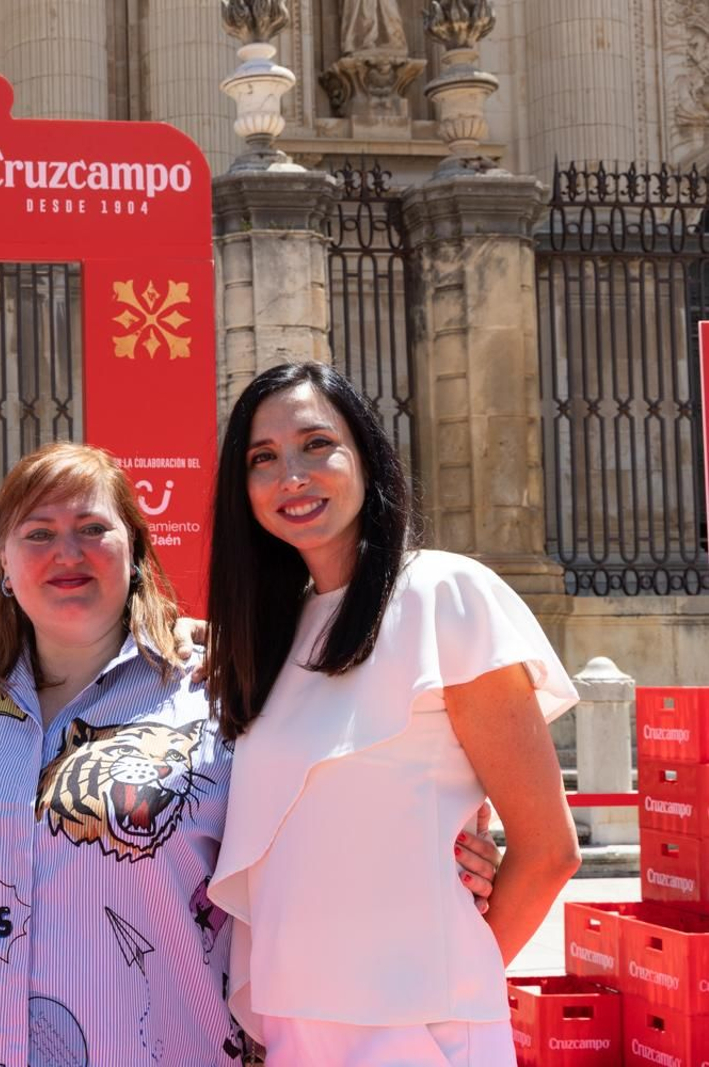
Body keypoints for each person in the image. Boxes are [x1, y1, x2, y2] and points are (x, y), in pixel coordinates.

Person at [206, 361, 581, 1064]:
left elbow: (550, 849)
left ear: (366, 455)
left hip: (418, 1028)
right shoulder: (271, 640)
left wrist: (450, 979)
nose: (292, 475)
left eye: (317, 444)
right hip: (293, 1026)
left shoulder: (445, 593)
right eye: (264, 458)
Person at [0, 442, 252, 1066]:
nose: (67, 552)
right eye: (38, 533)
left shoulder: (218, 692)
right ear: (3, 566)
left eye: (93, 528)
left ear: (136, 553)